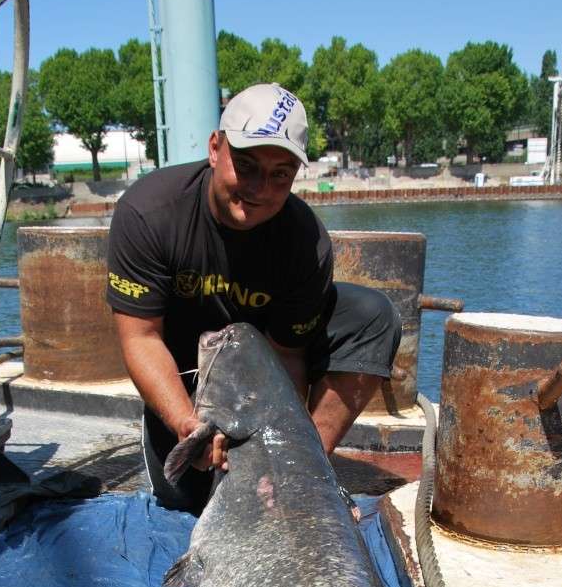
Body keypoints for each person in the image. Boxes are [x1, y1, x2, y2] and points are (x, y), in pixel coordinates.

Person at [107, 82, 401, 515]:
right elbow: (141, 339)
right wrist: (188, 425)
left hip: (260, 366)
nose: (260, 189)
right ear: (214, 148)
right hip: (189, 372)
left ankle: (305, 471)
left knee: (373, 316)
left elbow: (288, 355)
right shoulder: (147, 213)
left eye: (280, 174)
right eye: (245, 166)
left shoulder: (305, 241)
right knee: (182, 500)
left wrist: (279, 450)